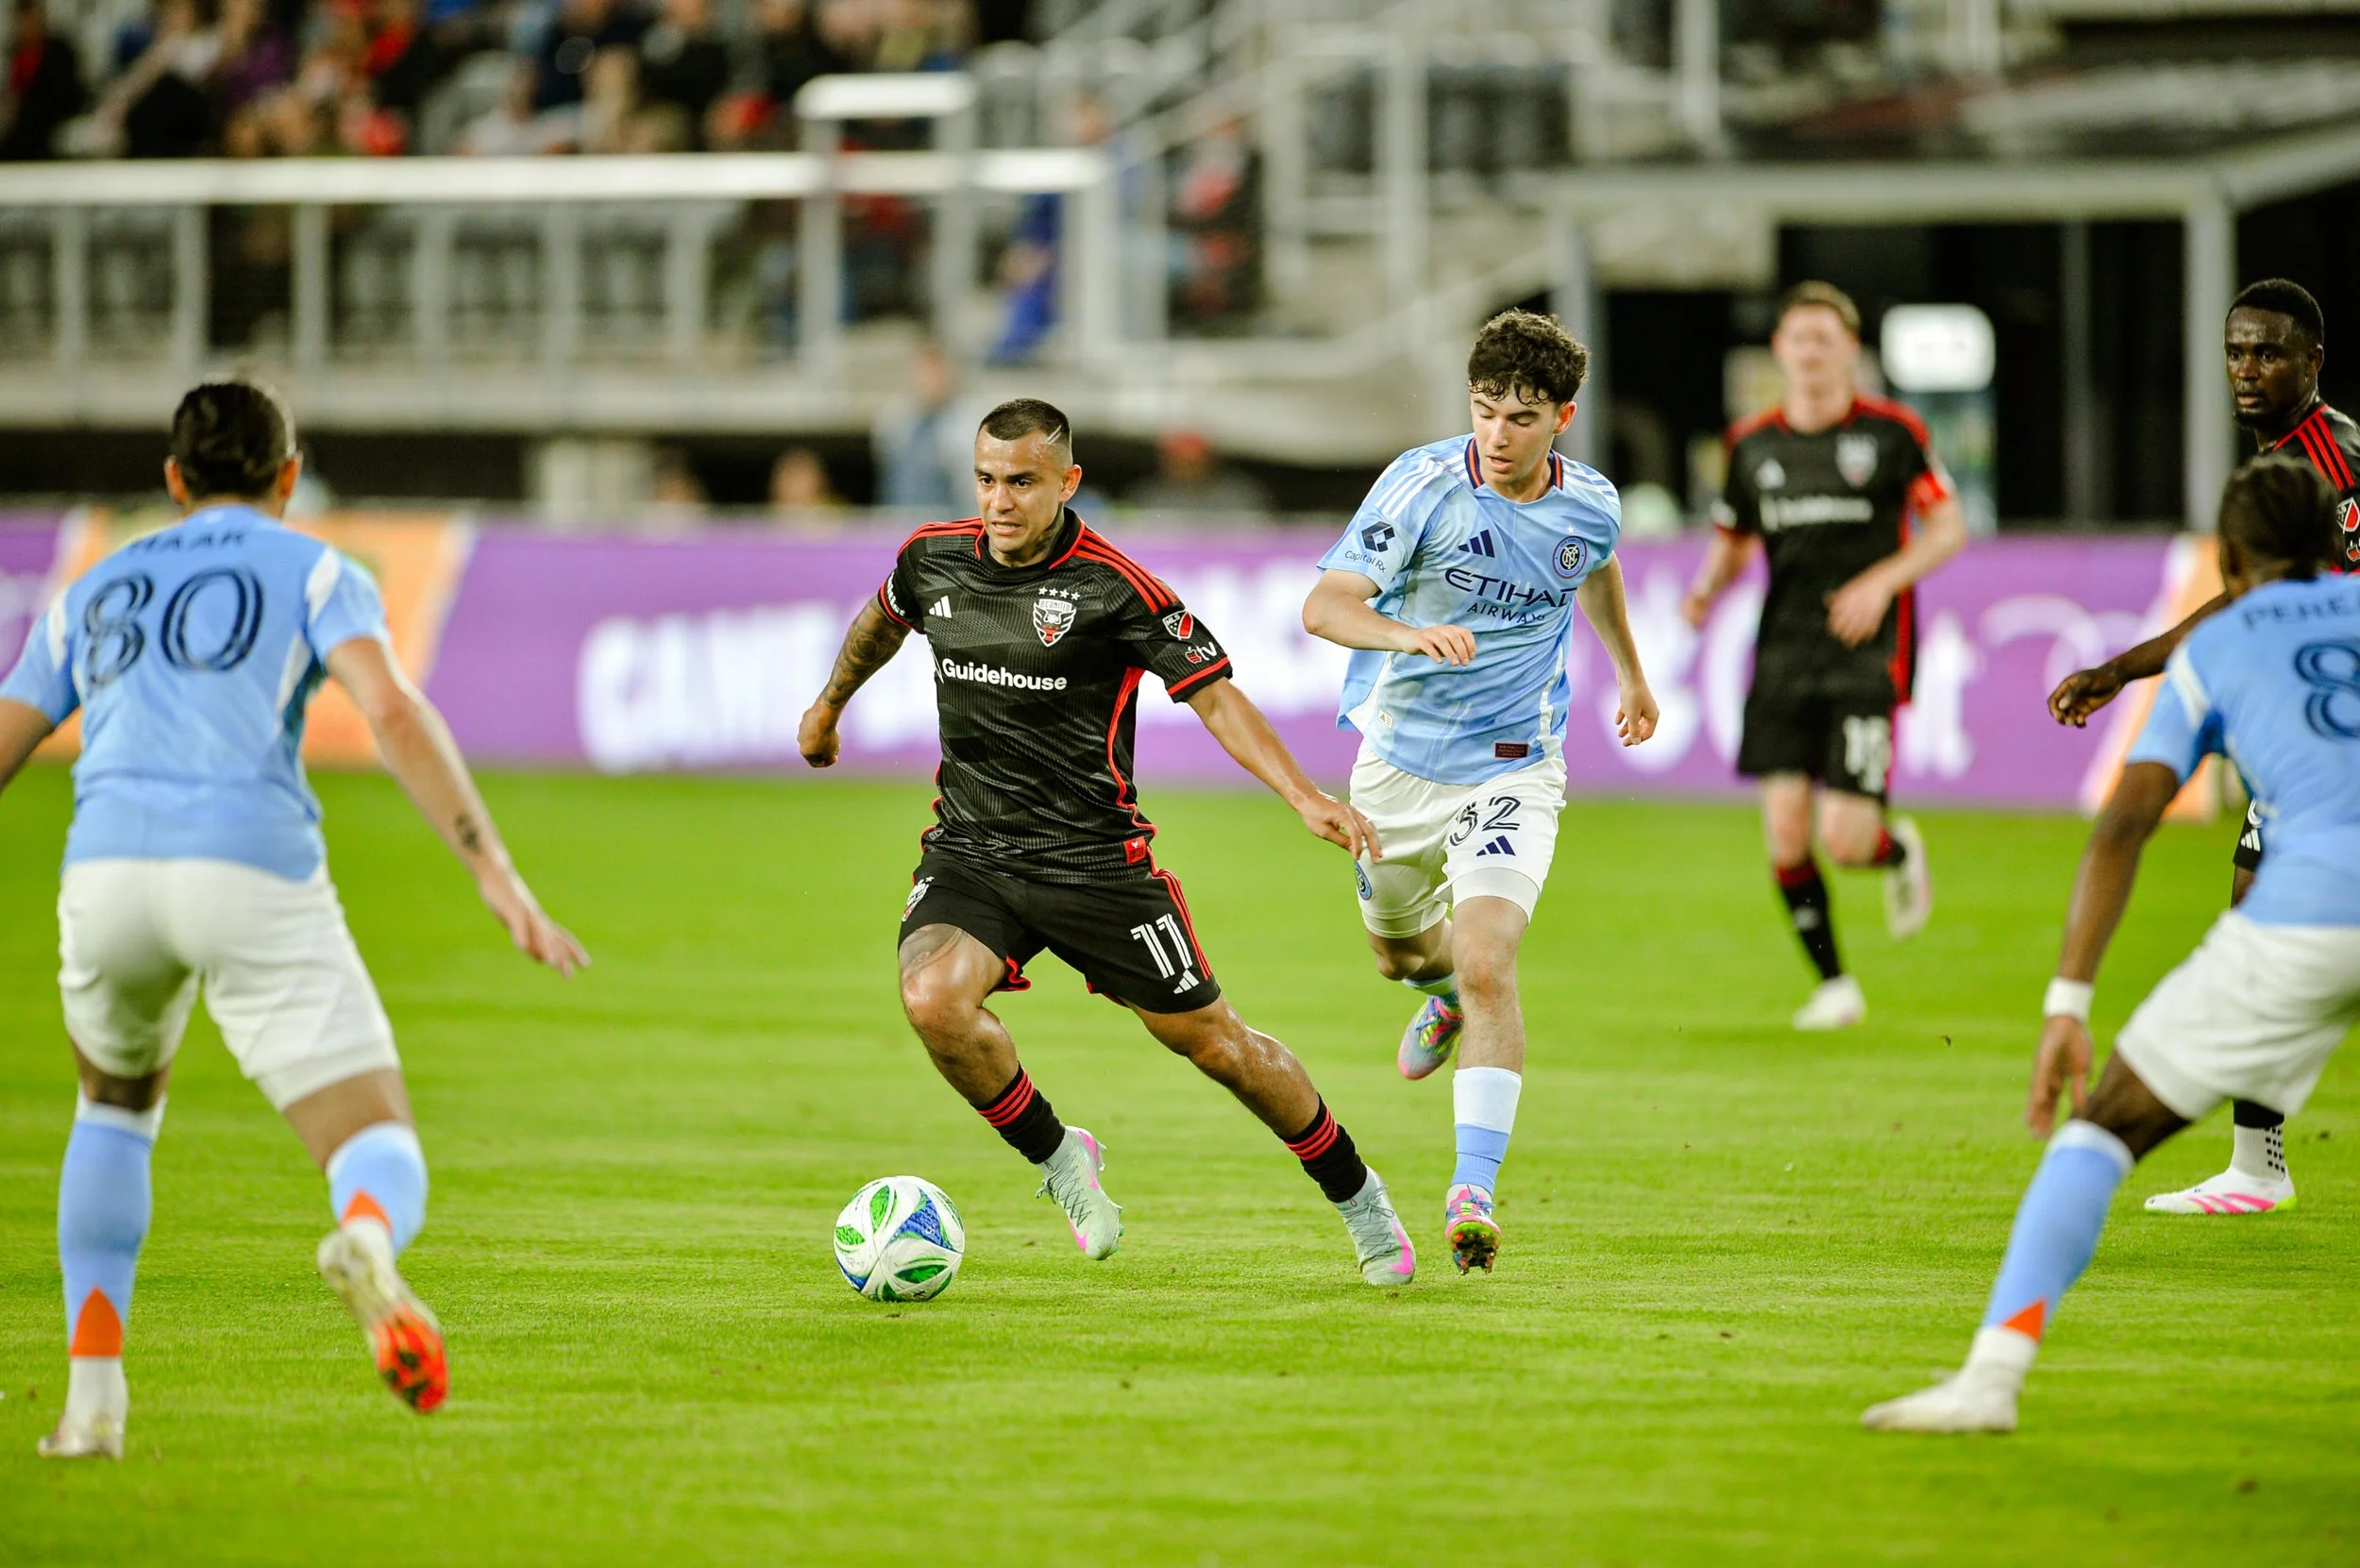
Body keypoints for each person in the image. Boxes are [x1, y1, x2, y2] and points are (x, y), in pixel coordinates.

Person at [0, 381, 586, 1459]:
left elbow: (8, 737)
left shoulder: (92, 585)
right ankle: (364, 1239)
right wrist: (495, 872)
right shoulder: (316, 568)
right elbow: (392, 709)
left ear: (173, 480)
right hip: (246, 868)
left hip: (104, 874)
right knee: (374, 1140)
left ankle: (91, 1404)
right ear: (288, 476)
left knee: (112, 1111)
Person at [795, 398, 1416, 1287]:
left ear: (1067, 482)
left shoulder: (1115, 587)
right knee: (932, 1000)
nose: (999, 500)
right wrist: (828, 707)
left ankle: (1359, 1196)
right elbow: (881, 619)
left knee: (1218, 1046)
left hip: (1096, 864)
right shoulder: (933, 559)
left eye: (1022, 481)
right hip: (974, 850)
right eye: (986, 480)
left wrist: (1303, 795)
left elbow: (1214, 694)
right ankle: (1062, 1159)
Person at [1863, 456, 2353, 1434]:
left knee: (2099, 1132)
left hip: (2306, 918)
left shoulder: (2217, 645)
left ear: (2229, 559)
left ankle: (1989, 1382)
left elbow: (2125, 823)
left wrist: (2068, 1001)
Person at [1301, 309, 1658, 1274]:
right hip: (1397, 767)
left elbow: (1596, 569)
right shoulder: (1422, 486)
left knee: (1491, 959)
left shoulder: (1591, 503)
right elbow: (1325, 605)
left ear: (1563, 419)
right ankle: (1440, 993)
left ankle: (1473, 1189)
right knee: (1398, 956)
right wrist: (1407, 633)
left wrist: (1630, 673)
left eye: (1521, 417)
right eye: (1484, 410)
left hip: (1515, 766)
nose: (1497, 434)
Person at [2048, 278, 2360, 1219]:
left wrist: (2122, 667)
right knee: (2253, 896)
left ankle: (2256, 1162)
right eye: (2235, 350)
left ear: (2312, 360)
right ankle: (2257, 1161)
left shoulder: (2324, 465)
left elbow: (2273, 605)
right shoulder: (2302, 448)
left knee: (2275, 923)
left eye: (2268, 351)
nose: (2247, 368)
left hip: (2327, 734)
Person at [1680, 281, 1965, 1030]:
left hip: (1865, 657)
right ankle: (1836, 985)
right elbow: (1735, 538)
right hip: (1783, 654)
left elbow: (1947, 528)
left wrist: (1881, 582)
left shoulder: (1893, 434)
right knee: (1784, 833)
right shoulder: (1751, 445)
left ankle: (1893, 851)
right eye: (1798, 338)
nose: (1810, 351)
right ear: (1780, 350)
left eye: (1824, 339)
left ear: (1850, 350)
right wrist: (1705, 590)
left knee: (1845, 839)